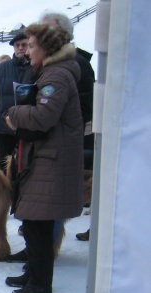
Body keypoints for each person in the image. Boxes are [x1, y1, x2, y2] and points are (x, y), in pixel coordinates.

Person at [4, 23, 83, 293]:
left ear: (47, 49)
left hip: (51, 160)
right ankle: (33, 274)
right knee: (33, 221)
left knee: (38, 223)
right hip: (45, 157)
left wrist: (14, 113)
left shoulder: (57, 76)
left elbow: (43, 117)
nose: (28, 51)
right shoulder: (50, 72)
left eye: (33, 45)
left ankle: (40, 286)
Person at [39, 10, 96, 242]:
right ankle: (37, 251)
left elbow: (85, 107)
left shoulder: (78, 63)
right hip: (43, 140)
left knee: (54, 200)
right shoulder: (46, 61)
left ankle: (45, 253)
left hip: (64, 143)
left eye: (48, 30)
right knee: (41, 198)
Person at [0, 29, 31, 173]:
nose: (21, 48)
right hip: (4, 128)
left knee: (26, 166)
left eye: (24, 44)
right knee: (3, 168)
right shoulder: (1, 70)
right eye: (17, 45)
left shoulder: (36, 67)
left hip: (29, 128)